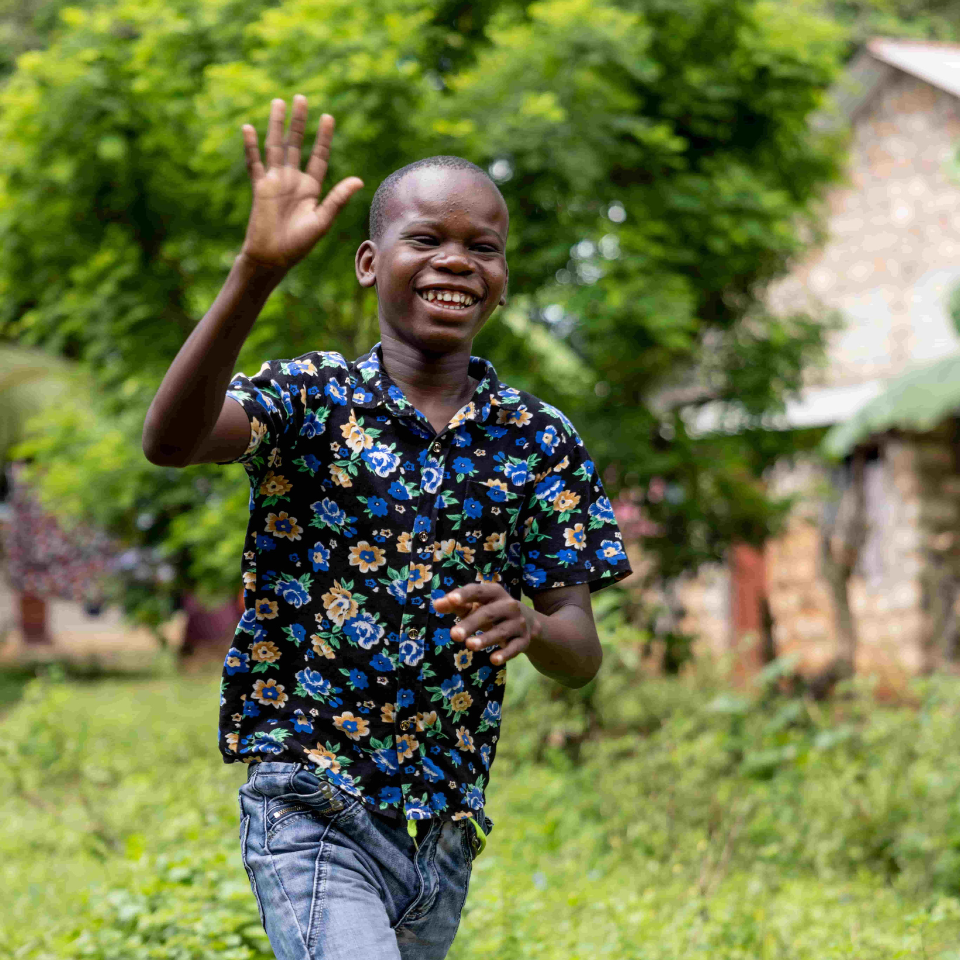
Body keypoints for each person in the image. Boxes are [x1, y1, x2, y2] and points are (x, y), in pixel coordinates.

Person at [142, 96, 631, 960]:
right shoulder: (311, 399)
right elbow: (172, 439)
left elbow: (581, 651)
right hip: (310, 798)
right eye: (426, 239)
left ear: (505, 278)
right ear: (371, 263)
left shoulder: (538, 440)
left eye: (483, 247)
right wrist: (254, 271)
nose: (456, 261)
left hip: (442, 824)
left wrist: (534, 624)